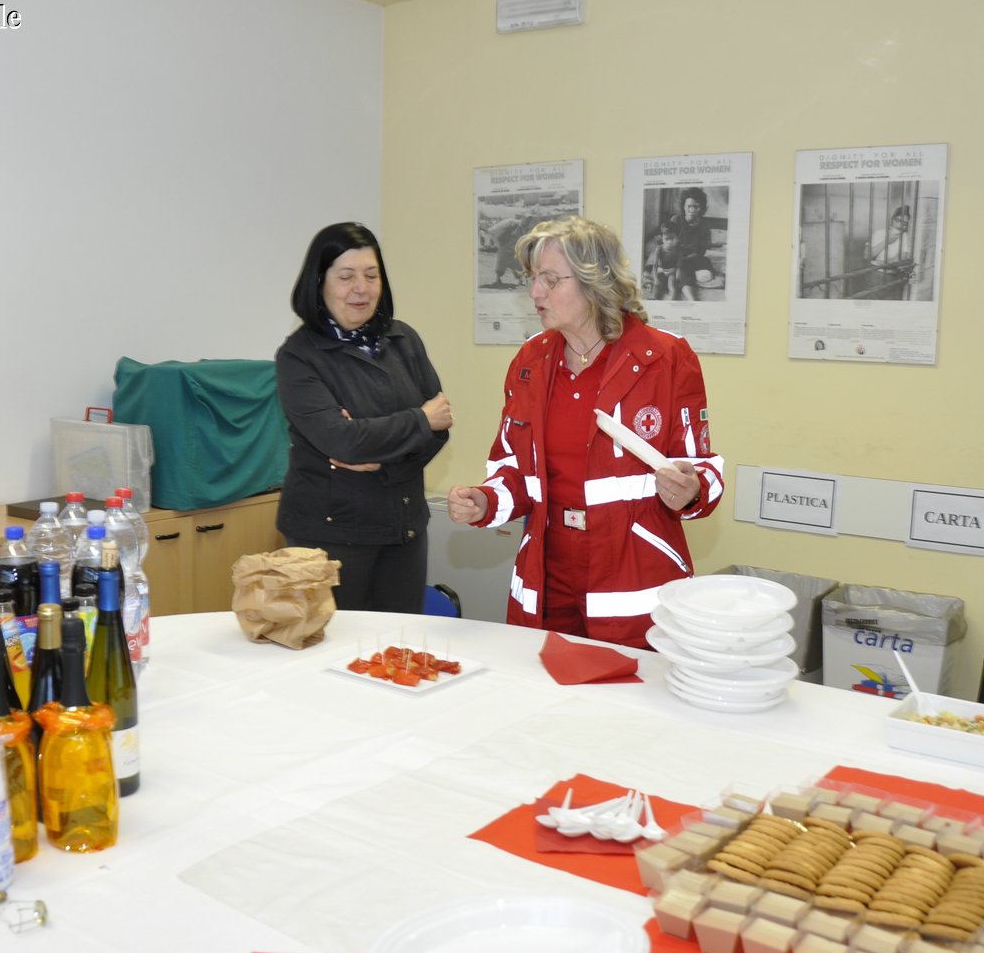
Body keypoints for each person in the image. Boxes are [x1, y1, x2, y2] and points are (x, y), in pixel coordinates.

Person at [445, 216, 723, 648]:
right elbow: (514, 471)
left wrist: (690, 490)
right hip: (547, 583)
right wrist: (484, 501)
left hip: (632, 588)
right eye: (533, 279)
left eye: (550, 280)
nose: (536, 292)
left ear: (596, 282)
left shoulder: (666, 357)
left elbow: (704, 470)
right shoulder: (530, 361)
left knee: (626, 713)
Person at [275, 222, 452, 613]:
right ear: (319, 282)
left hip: (404, 530)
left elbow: (440, 426)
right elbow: (342, 441)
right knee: (329, 656)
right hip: (330, 537)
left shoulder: (403, 339)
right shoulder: (299, 356)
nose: (361, 288)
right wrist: (417, 420)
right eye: (346, 277)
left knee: (397, 653)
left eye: (371, 276)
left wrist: (381, 457)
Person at [664, 188, 714, 300]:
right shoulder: (676, 220)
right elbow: (667, 239)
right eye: (689, 206)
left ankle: (689, 273)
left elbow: (701, 251)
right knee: (683, 268)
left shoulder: (704, 225)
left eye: (696, 207)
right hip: (676, 255)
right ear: (683, 207)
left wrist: (689, 257)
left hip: (694, 256)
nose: (691, 209)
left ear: (702, 209)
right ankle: (691, 297)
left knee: (705, 268)